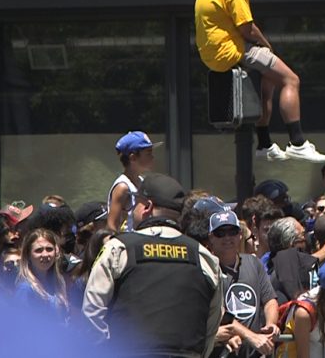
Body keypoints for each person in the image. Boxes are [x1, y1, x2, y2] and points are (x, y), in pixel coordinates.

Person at [194, 0, 325, 163]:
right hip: (232, 50)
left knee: (270, 79)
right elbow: (247, 27)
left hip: (211, 54)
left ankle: (264, 144)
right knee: (290, 79)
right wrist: (267, 45)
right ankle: (297, 143)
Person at [83, 173, 223, 357]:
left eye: (135, 203)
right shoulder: (203, 256)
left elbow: (92, 312)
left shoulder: (119, 248)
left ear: (147, 207)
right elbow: (212, 322)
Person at [207, 210, 280, 358]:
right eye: (220, 233)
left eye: (232, 231)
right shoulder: (207, 268)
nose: (227, 238)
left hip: (255, 353)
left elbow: (270, 300)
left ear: (240, 234)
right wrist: (251, 337)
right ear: (211, 238)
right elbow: (221, 314)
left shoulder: (253, 263)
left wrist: (270, 325)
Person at [107, 130, 161, 233]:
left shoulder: (142, 182)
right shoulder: (123, 187)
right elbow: (111, 226)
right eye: (148, 153)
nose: (152, 157)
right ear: (133, 158)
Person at [15, 228, 71, 323]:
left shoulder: (59, 281)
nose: (45, 254)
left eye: (49, 249)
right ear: (28, 255)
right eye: (38, 250)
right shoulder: (26, 289)